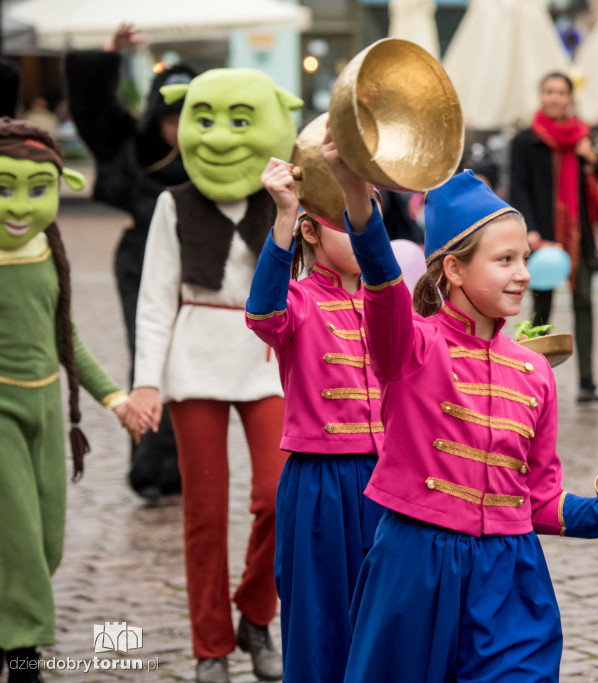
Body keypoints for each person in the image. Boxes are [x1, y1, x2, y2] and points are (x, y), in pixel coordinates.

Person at [323, 134, 598, 680]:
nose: (522, 273)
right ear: (453, 270)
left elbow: (539, 499)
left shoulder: (535, 371)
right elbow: (382, 285)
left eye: (524, 258)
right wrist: (355, 193)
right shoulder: (411, 346)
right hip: (417, 564)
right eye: (504, 260)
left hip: (510, 574)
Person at [129, 69, 304, 683]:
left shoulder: (288, 200)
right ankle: (210, 645)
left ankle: (257, 614)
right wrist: (145, 381)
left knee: (280, 495)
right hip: (195, 357)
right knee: (204, 509)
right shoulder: (172, 203)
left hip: (267, 359)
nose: (223, 137)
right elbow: (155, 299)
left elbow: (308, 287)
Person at [0, 119, 144, 682]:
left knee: (47, 540)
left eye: (38, 189)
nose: (20, 204)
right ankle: (25, 657)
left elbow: (67, 338)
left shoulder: (46, 248)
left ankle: (9, 624)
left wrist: (115, 399)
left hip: (45, 408)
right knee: (18, 536)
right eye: (5, 186)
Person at [245, 158, 385, 681]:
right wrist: (283, 214)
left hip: (385, 479)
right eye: (346, 222)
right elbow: (262, 313)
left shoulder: (386, 304)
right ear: (310, 230)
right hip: (320, 481)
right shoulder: (299, 302)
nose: (364, 229)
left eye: (367, 215)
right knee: (319, 615)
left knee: (382, 612)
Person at [65, 22, 194, 500]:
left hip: (197, 263)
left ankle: (186, 463)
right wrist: (107, 56)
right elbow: (95, 112)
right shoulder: (136, 148)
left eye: (188, 117)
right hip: (140, 262)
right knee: (149, 357)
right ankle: (150, 466)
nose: (177, 130)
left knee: (191, 363)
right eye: (170, 118)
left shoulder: (217, 156)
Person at [509, 72, 598, 403]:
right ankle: (530, 380)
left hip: (578, 236)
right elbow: (519, 188)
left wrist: (590, 160)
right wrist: (531, 232)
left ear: (570, 98)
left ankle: (587, 384)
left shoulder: (583, 139)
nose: (554, 97)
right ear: (541, 96)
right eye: (549, 91)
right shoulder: (525, 140)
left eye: (561, 92)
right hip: (542, 236)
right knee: (541, 307)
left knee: (584, 303)